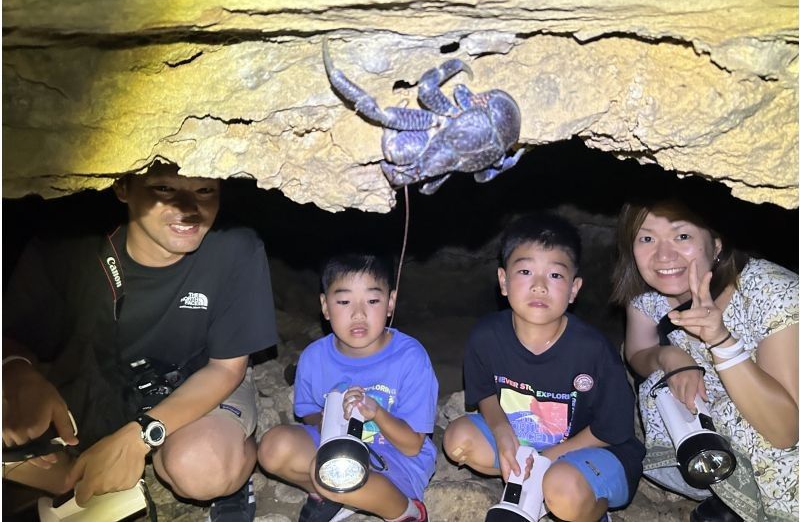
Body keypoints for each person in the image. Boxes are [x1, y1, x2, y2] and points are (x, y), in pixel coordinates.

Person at [2, 162, 278, 521]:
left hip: (197, 381)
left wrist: (141, 436)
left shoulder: (234, 247)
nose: (188, 208)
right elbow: (14, 334)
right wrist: (19, 373)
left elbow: (226, 369)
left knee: (201, 466)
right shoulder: (69, 245)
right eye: (164, 189)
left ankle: (230, 459)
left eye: (204, 191)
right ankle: (82, 483)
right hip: (99, 382)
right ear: (123, 188)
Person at [443, 212, 645, 522]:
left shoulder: (592, 351)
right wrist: (501, 432)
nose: (539, 286)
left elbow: (612, 429)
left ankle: (589, 508)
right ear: (503, 281)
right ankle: (532, 487)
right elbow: (484, 392)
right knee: (458, 440)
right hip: (525, 442)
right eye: (525, 271)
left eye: (555, 275)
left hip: (593, 450)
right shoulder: (486, 337)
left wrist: (546, 458)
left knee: (562, 490)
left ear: (574, 288)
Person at [611, 197, 798, 522]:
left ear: (716, 243)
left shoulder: (773, 292)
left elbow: (785, 432)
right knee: (658, 383)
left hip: (781, 429)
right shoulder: (649, 299)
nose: (663, 255)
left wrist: (720, 340)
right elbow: (637, 352)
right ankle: (728, 491)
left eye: (682, 236)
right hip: (723, 423)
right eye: (647, 238)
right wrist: (669, 356)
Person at [258, 253, 437, 522]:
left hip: (395, 460)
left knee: (330, 471)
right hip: (337, 447)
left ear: (390, 303)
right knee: (274, 448)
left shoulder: (410, 358)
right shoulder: (314, 357)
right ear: (325, 306)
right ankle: (329, 495)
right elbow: (308, 413)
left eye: (373, 301)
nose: (358, 313)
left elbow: (412, 446)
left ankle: (407, 512)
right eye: (343, 301)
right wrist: (328, 419)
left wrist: (376, 413)